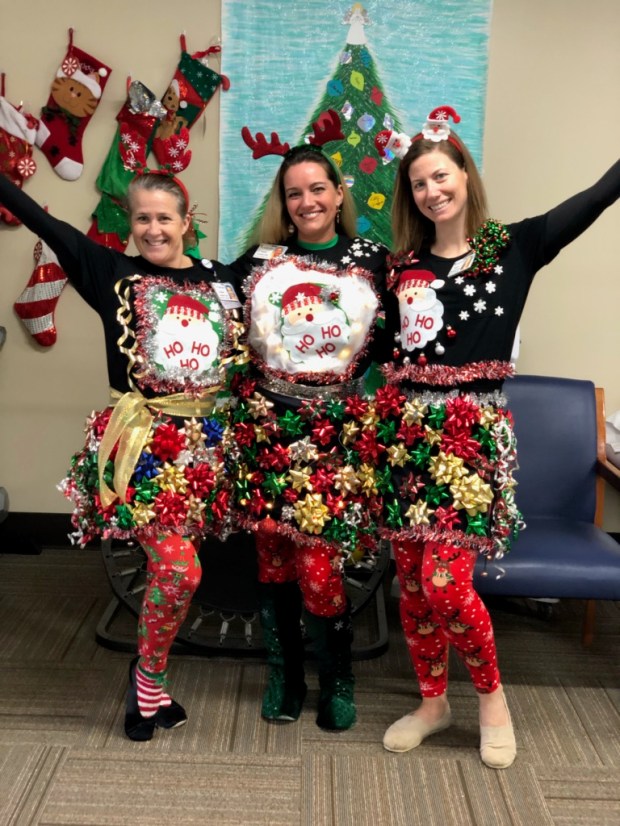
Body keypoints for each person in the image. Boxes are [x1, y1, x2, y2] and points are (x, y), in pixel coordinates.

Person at [374, 107, 619, 767]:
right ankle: (432, 701)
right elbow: (376, 347)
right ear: (412, 194)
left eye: (441, 175)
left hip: (471, 444)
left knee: (448, 583)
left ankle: (491, 698)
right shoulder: (401, 268)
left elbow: (595, 198)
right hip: (407, 445)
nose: (432, 191)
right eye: (420, 182)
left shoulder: (514, 246)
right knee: (415, 587)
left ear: (464, 175)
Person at [0, 169, 244, 741]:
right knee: (181, 571)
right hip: (142, 446)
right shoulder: (111, 271)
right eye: (142, 218)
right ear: (129, 224)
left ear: (187, 221)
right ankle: (148, 679)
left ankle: (150, 677)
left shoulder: (222, 279)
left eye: (164, 218)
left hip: (205, 450)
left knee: (173, 575)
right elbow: (44, 220)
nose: (153, 229)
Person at [226, 138, 389, 731]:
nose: (307, 201)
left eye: (318, 188)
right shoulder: (260, 263)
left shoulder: (375, 261)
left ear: (339, 193)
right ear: (284, 203)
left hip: (335, 436)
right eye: (294, 193)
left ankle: (337, 679)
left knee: (321, 568)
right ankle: (284, 674)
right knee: (272, 562)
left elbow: (401, 338)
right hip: (269, 432)